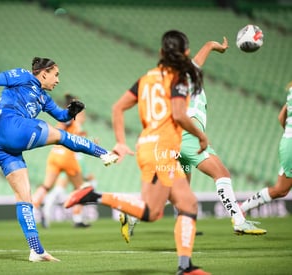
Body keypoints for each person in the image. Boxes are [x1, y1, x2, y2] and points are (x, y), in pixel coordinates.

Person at [65, 30, 210, 274]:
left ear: (161, 52)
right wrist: (201, 135)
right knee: (151, 212)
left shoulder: (146, 79)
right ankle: (95, 196)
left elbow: (118, 107)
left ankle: (185, 267)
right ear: (185, 52)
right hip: (161, 150)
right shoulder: (179, 78)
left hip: (151, 146)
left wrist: (121, 141)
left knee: (188, 203)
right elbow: (178, 114)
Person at [0, 57, 118, 262]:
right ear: (44, 73)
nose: (57, 80)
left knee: (24, 198)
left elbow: (62, 116)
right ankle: (103, 153)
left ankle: (36, 250)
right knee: (62, 137)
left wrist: (71, 112)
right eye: (56, 75)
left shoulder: (44, 98)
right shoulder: (23, 76)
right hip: (11, 127)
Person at [121, 37, 266, 240]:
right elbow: (200, 55)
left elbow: (201, 55)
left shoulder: (173, 77)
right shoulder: (185, 74)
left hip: (173, 137)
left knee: (180, 190)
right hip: (187, 135)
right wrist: (215, 47)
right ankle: (239, 221)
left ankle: (134, 214)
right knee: (222, 174)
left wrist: (213, 46)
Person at [32, 93, 92, 228]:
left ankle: (32, 210)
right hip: (67, 156)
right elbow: (65, 129)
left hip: (54, 154)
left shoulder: (63, 117)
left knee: (46, 186)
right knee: (81, 188)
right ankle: (77, 218)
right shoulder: (70, 118)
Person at [240, 82, 292, 213]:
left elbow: (281, 117)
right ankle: (242, 209)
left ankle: (242, 209)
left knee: (281, 190)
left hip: (288, 142)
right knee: (281, 189)